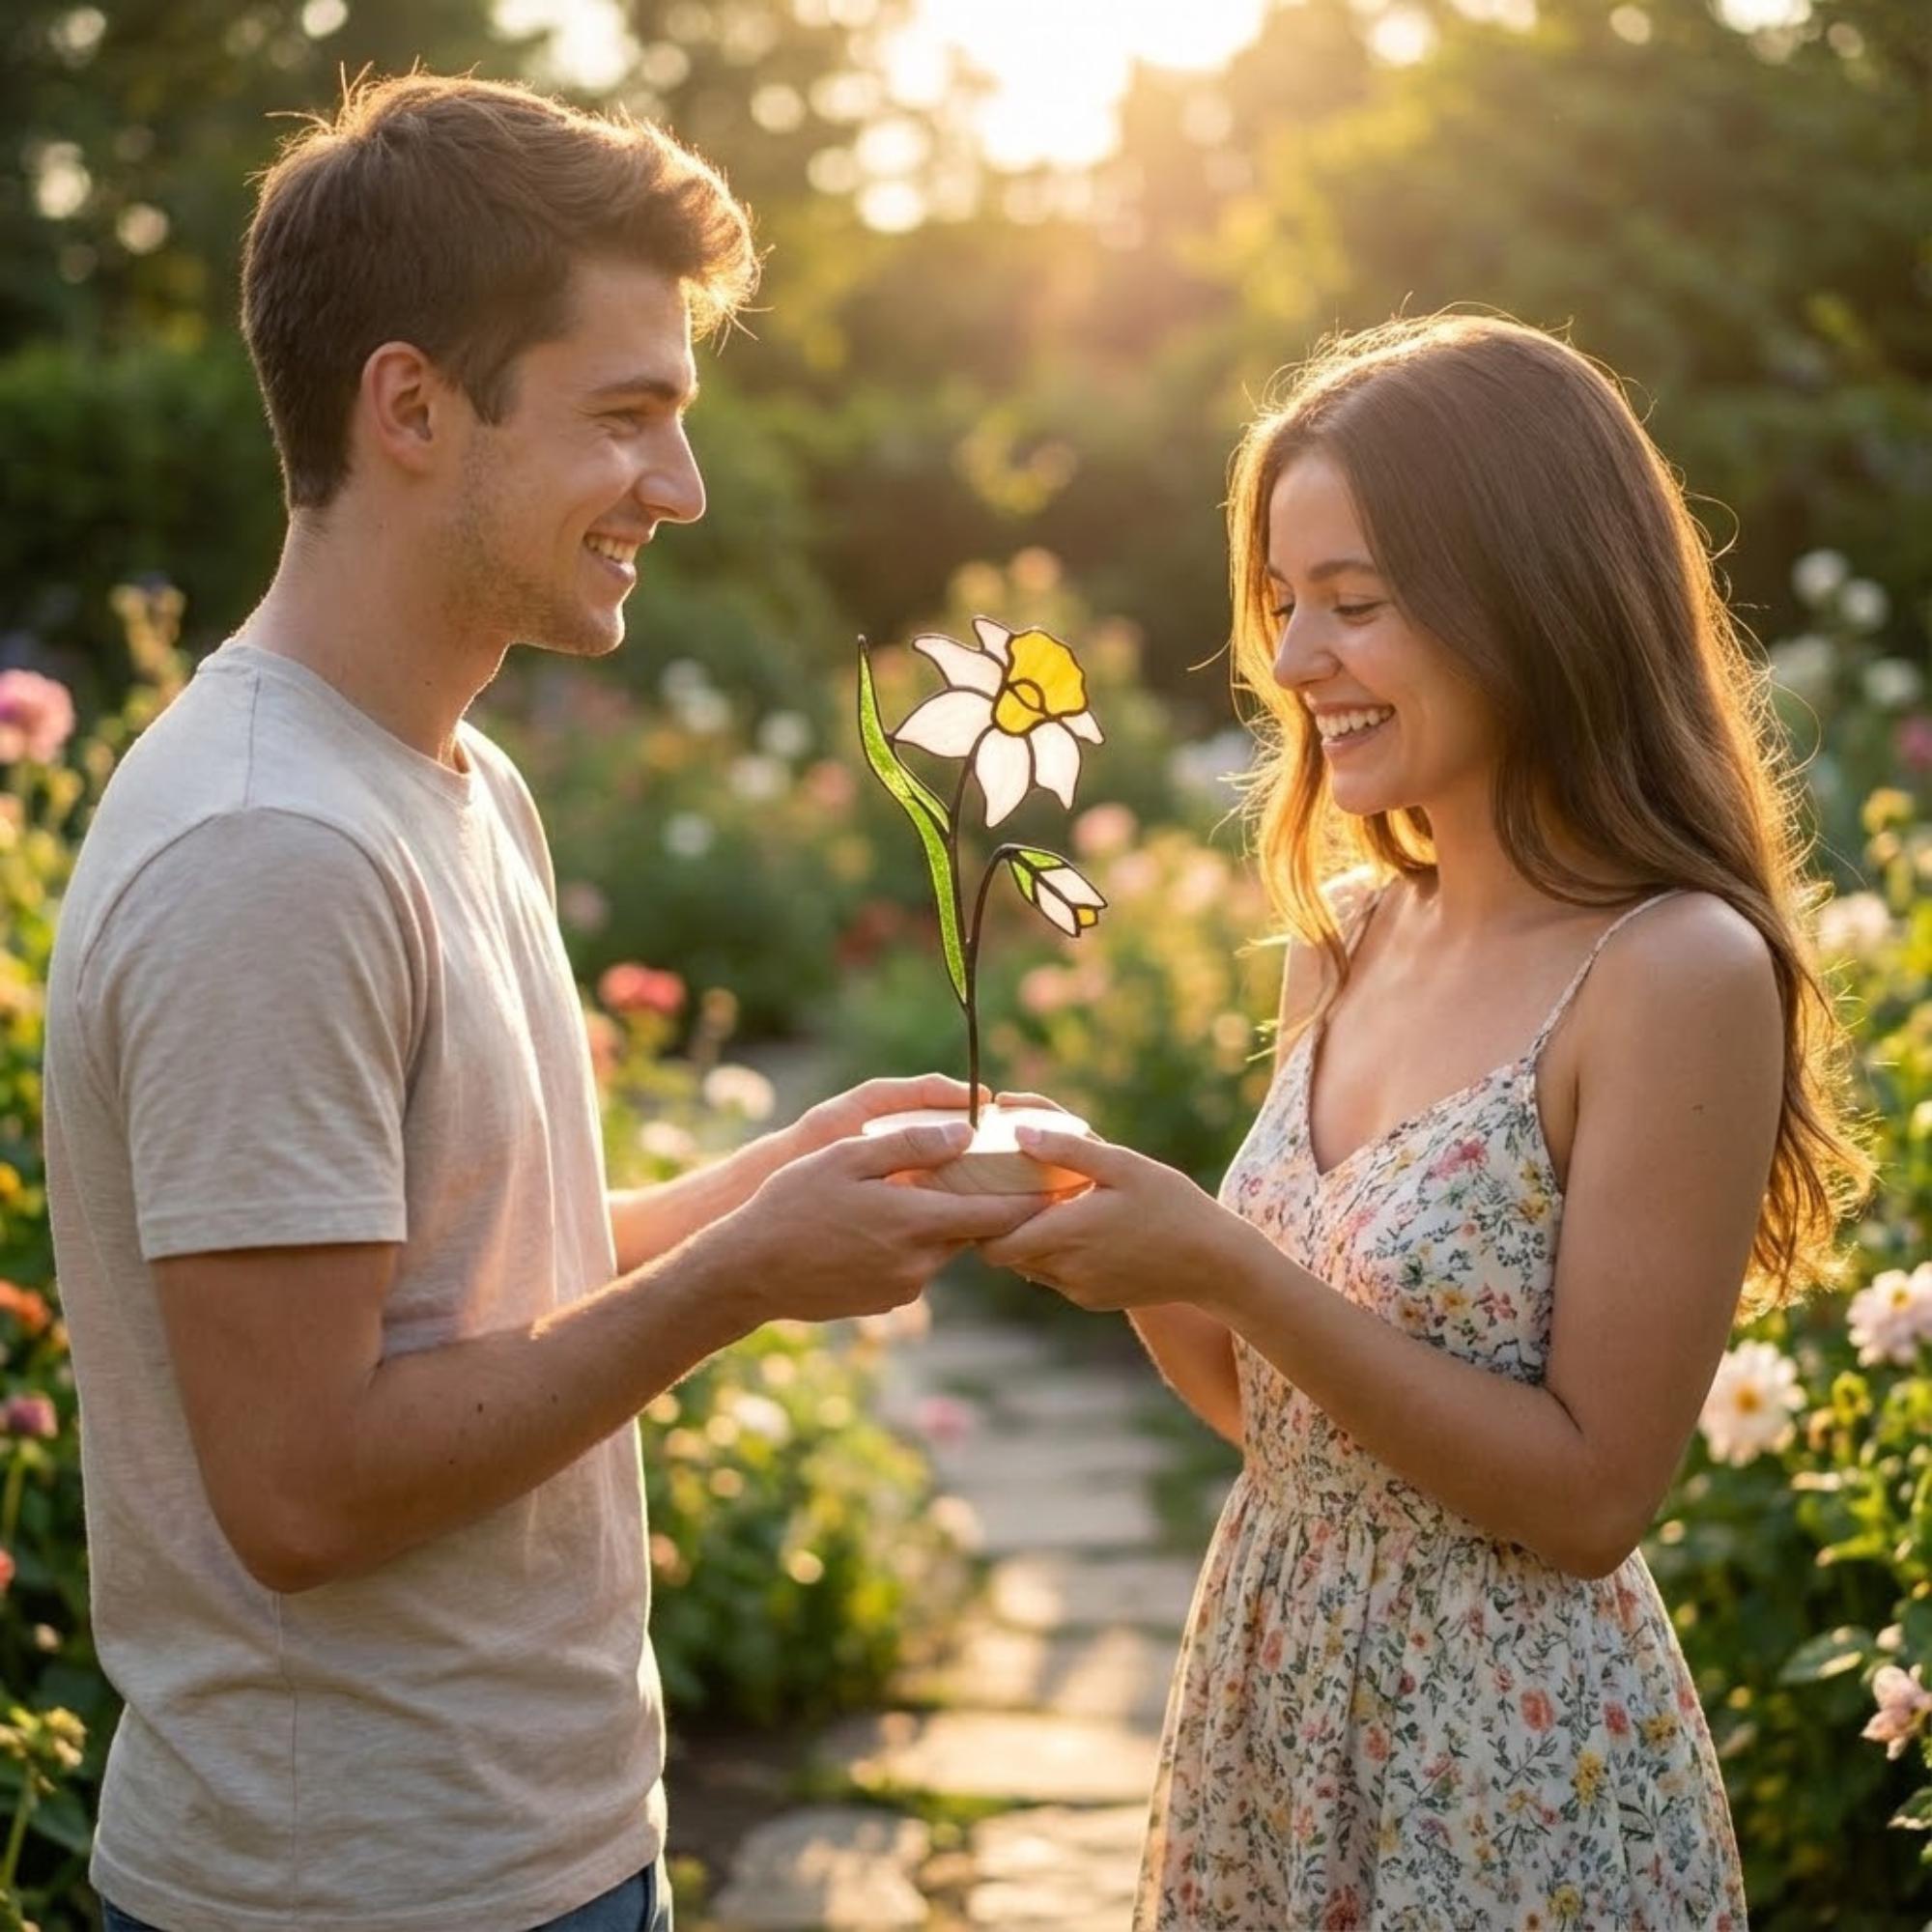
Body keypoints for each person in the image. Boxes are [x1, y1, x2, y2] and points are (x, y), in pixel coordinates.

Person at [42, 74, 1047, 1932]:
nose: (683, 486)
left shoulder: (448, 776)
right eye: (628, 417)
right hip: (351, 1894)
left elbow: (466, 1299)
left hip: (541, 1852)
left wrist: (770, 1188)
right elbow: (307, 1490)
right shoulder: (271, 849)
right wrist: (738, 1283)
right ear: (413, 407)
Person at [982, 314, 1870, 1930]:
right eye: (1281, 605)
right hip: (1274, 1691)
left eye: (1354, 603)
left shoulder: (1670, 970)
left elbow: (1595, 1495)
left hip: (1512, 1768)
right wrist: (1116, 1233)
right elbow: (1295, 1430)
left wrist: (1233, 1270)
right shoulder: (1349, 937)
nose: (1295, 662)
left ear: (1530, 599)